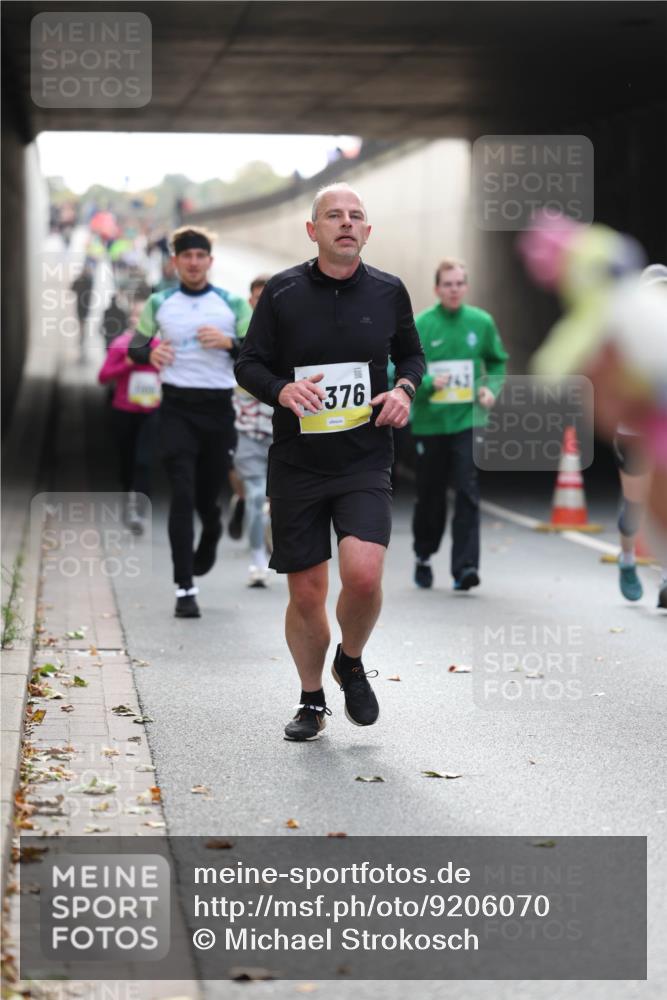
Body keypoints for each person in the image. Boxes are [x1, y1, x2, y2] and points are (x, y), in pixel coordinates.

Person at [235, 182, 425, 742]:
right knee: (307, 592)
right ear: (312, 230)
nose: (346, 223)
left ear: (368, 231)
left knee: (363, 576)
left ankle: (352, 659)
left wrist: (405, 390)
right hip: (298, 460)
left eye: (356, 216)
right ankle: (312, 698)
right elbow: (249, 363)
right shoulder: (283, 292)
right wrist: (281, 391)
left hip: (365, 456)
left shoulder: (389, 292)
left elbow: (410, 353)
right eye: (333, 215)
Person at [128, 226, 252, 618]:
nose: (194, 263)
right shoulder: (160, 302)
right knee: (181, 494)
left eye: (201, 257)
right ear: (176, 262)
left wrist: (230, 343)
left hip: (218, 410)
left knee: (205, 499)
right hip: (177, 409)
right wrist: (150, 354)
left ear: (210, 262)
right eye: (187, 257)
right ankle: (185, 587)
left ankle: (213, 529)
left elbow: (258, 354)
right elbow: (133, 347)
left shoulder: (231, 303)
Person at [410, 258, 508, 591]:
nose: (454, 289)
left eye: (459, 283)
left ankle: (464, 567)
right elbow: (397, 368)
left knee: (467, 491)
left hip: (468, 420)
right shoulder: (422, 324)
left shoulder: (480, 322)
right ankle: (423, 554)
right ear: (437, 289)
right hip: (430, 423)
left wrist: (490, 388)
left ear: (466, 287)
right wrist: (426, 385)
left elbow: (497, 361)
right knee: (431, 496)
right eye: (447, 284)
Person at [98, 299, 160, 534]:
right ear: (132, 319)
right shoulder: (121, 344)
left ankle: (139, 510)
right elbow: (103, 377)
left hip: (151, 412)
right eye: (137, 315)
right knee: (127, 461)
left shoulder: (160, 346)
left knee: (144, 461)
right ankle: (127, 497)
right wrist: (126, 365)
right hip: (124, 412)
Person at [230, 275, 274, 586]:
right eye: (259, 298)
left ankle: (256, 516)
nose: (264, 304)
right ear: (251, 301)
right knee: (258, 495)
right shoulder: (235, 337)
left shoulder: (295, 333)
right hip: (247, 429)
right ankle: (258, 559)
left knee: (280, 502)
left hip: (284, 429)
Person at [70, 265, 94, 357]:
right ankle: (82, 334)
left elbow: (72, 288)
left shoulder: (85, 280)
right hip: (84, 304)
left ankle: (82, 334)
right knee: (82, 320)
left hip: (82, 304)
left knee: (81, 320)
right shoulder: (88, 280)